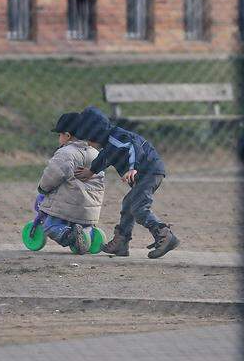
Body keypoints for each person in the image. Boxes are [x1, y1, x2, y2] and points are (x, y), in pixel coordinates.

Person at [74, 106, 179, 259]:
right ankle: (121, 242)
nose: (88, 143)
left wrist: (133, 168)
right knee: (128, 204)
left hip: (148, 171)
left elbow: (133, 146)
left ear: (95, 133)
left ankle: (164, 235)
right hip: (145, 173)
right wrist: (91, 171)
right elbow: (105, 157)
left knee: (138, 207)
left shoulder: (117, 137)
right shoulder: (109, 143)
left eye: (88, 139)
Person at [36, 112, 105, 254]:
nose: (59, 138)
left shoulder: (65, 153)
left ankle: (70, 236)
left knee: (50, 226)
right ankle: (89, 233)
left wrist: (43, 188)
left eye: (59, 135)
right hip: (90, 210)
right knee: (83, 224)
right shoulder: (96, 153)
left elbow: (51, 176)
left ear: (67, 135)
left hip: (67, 207)